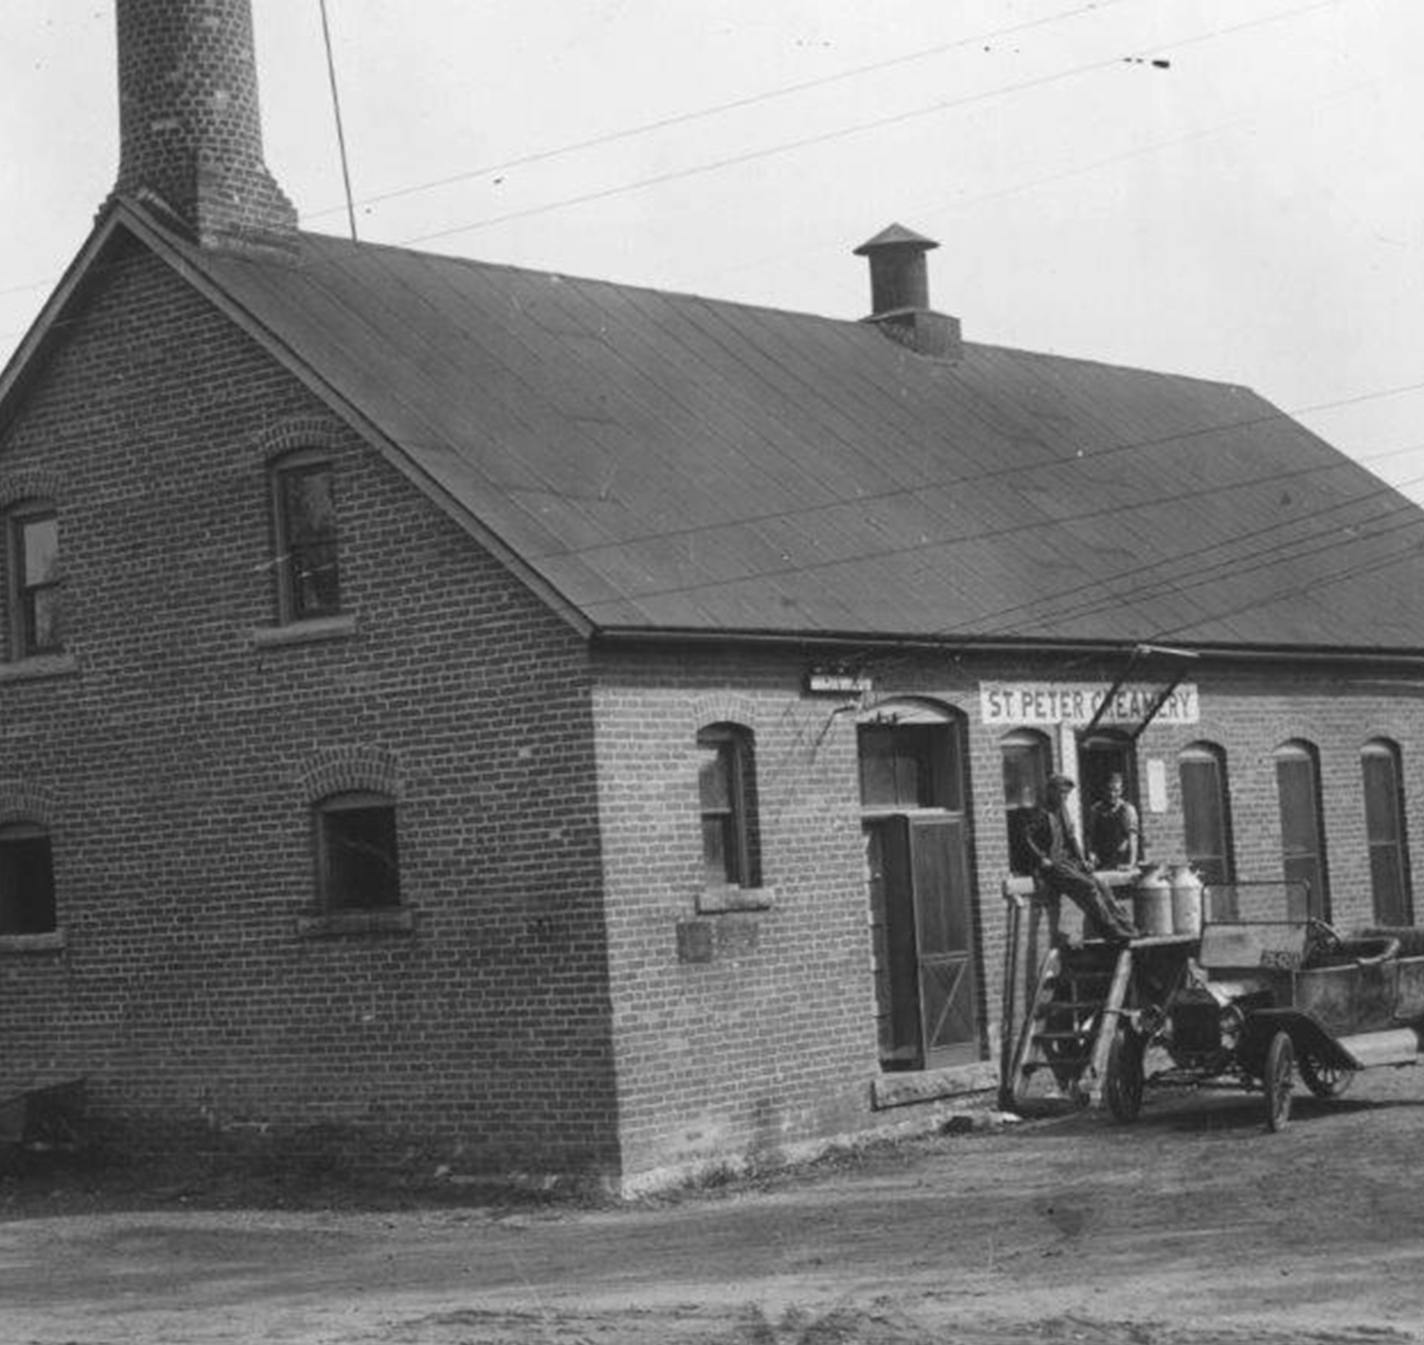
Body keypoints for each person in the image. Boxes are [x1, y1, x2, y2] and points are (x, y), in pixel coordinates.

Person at [1023, 774, 1138, 944]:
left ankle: (1128, 927)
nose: (1064, 797)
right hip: (1053, 866)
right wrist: (1041, 858)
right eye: (1061, 793)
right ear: (1051, 791)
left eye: (1066, 794)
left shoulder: (1063, 810)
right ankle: (1111, 930)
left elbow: (1071, 838)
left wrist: (1082, 860)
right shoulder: (1040, 812)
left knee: (1101, 884)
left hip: (1068, 862)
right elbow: (1026, 839)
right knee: (1088, 886)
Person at [1088, 773, 1140, 870]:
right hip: (1103, 859)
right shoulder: (1096, 810)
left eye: (1116, 791)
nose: (1112, 794)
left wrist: (1131, 863)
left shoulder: (1127, 810)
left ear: (1121, 791)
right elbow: (1091, 837)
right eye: (1109, 790)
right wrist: (1091, 856)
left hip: (1122, 860)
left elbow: (1133, 838)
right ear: (1104, 790)